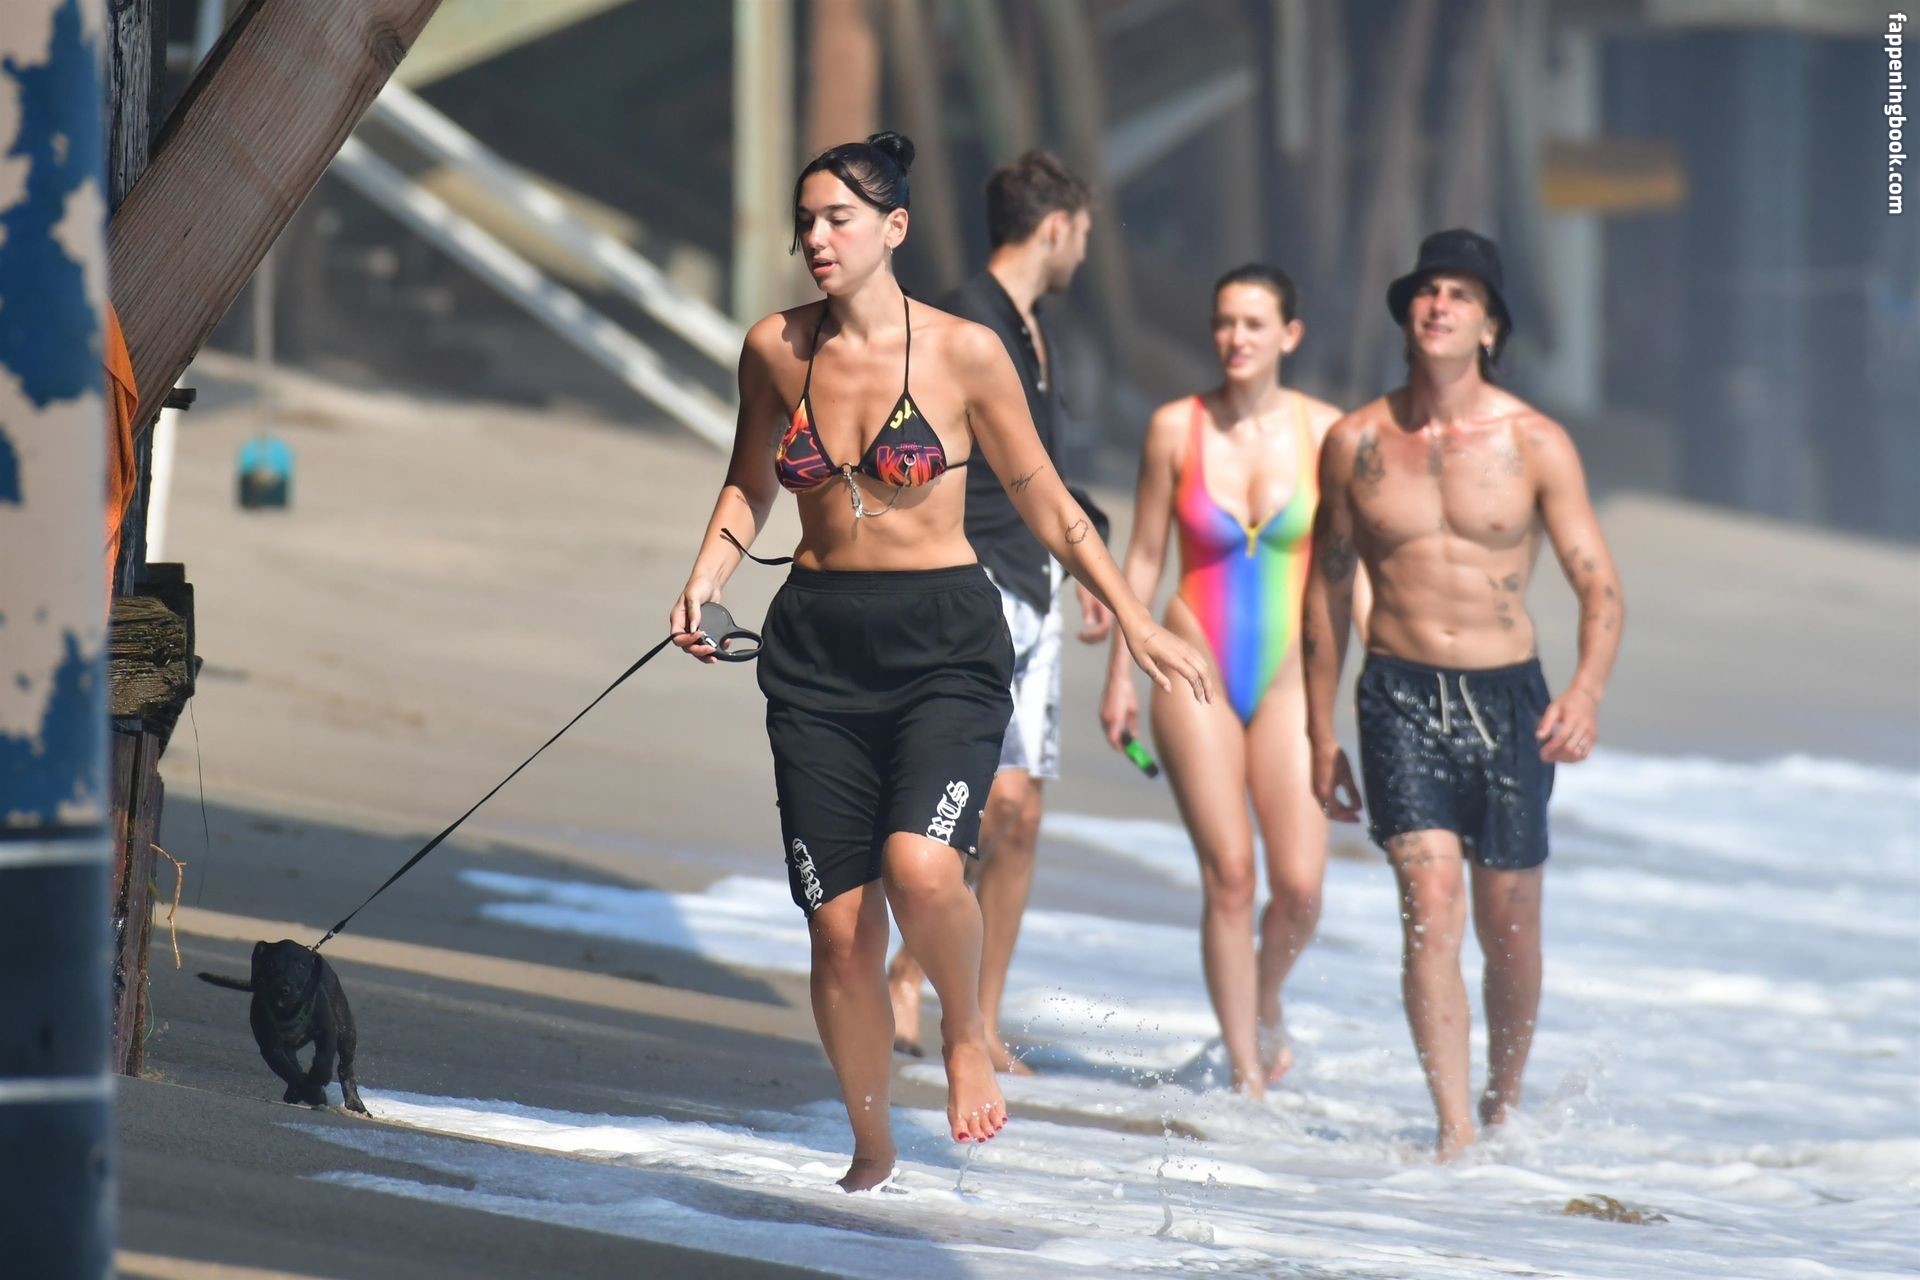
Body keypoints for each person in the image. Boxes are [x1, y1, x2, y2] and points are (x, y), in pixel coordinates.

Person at [669, 132, 1211, 1191]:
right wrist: (706, 576)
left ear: (895, 228)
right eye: (807, 220)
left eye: (839, 219)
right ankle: (871, 1138)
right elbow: (749, 483)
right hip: (818, 647)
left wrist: (1135, 620)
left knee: (922, 867)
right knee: (838, 932)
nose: (817, 238)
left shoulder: (966, 352)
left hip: (946, 645)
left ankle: (966, 1030)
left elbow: (1047, 498)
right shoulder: (775, 348)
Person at [1300, 228, 1625, 1160]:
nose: (1438, 304)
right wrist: (1318, 733)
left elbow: (1599, 585)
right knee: (1431, 897)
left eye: (1460, 294)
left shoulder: (1536, 444)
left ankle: (1502, 1101)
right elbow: (1325, 591)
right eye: (1426, 290)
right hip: (1398, 694)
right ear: (1407, 314)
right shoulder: (1355, 442)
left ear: (1489, 327)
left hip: (1509, 701)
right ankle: (1452, 1131)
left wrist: (1586, 692)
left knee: (1509, 923)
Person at [1100, 265, 1360, 1098]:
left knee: (1301, 890)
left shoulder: (1330, 434)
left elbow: (1350, 571)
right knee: (1232, 875)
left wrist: (1387, 666)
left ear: (1290, 335)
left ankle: (1264, 999)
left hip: (1288, 682)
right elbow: (1144, 557)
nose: (1235, 338)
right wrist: (1121, 675)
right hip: (1191, 663)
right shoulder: (1175, 427)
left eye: (1253, 324)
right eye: (1224, 323)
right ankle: (1246, 1076)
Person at [884, 151, 1113, 1074]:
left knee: (1016, 814)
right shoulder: (962, 321)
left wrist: (1085, 545)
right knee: (969, 803)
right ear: (1056, 227)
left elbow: (1036, 466)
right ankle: (911, 979)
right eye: (1083, 233)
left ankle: (975, 1018)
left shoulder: (1032, 330)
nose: (1085, 251)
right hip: (969, 586)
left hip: (1031, 584)